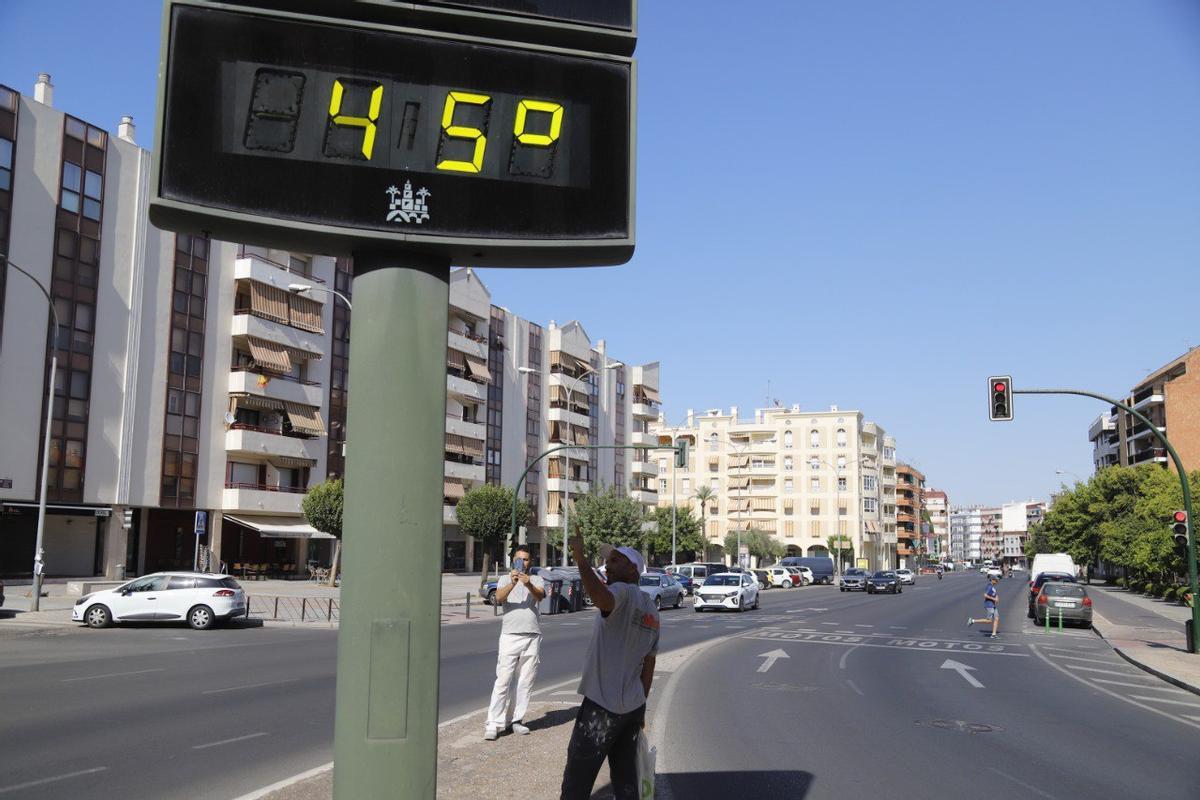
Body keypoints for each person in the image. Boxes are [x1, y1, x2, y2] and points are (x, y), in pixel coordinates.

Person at [560, 534, 659, 800]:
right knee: (626, 781)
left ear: (633, 570)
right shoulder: (651, 608)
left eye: (615, 561)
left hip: (603, 706)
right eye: (607, 561)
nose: (607, 566)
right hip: (632, 706)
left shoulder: (622, 592)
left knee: (576, 782)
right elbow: (649, 663)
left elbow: (601, 598)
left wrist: (580, 559)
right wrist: (641, 708)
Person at [484, 546, 546, 741]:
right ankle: (493, 723)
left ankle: (516, 719)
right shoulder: (504, 579)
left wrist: (527, 584)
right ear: (513, 560)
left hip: (532, 635)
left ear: (530, 562)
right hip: (510, 635)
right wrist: (512, 583)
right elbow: (499, 599)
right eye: (519, 559)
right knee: (503, 680)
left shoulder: (535, 579)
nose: (522, 562)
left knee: (525, 682)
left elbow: (540, 596)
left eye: (526, 559)